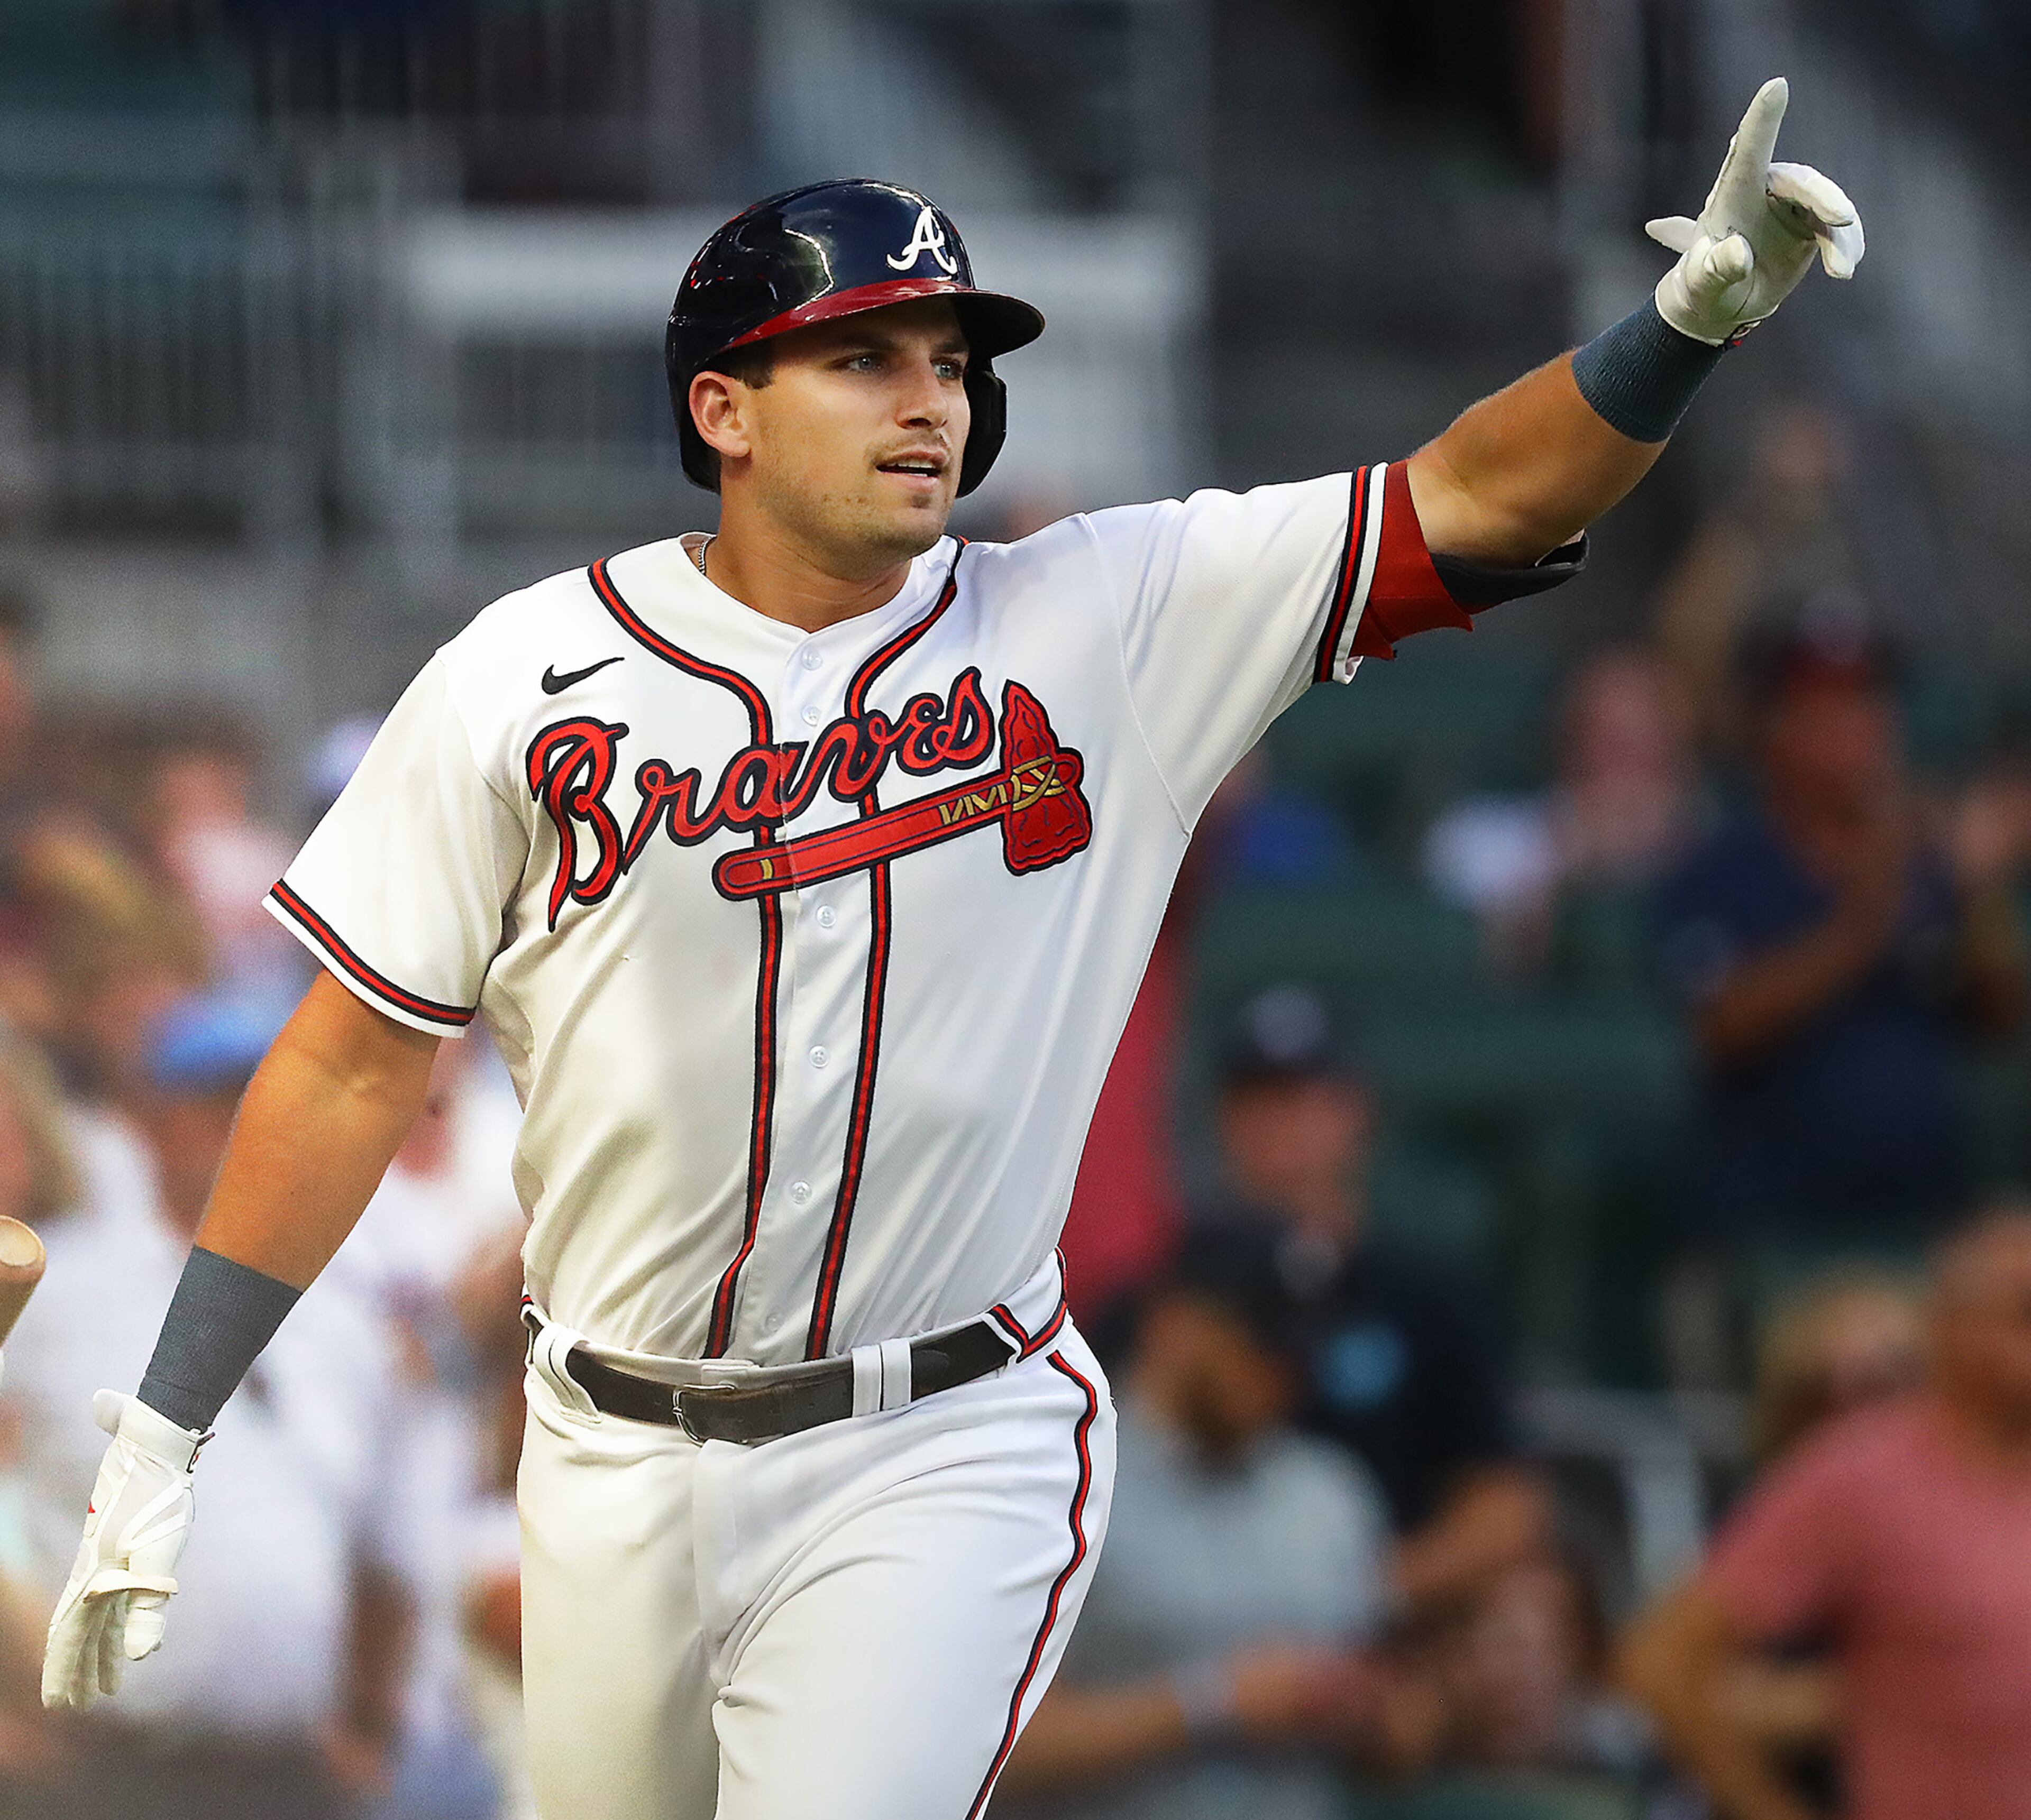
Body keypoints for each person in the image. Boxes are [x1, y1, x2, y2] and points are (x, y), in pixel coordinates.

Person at [40, 84, 1864, 1820]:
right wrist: (166, 1426)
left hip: (935, 1434)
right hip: (601, 1443)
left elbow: (1471, 497)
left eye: (952, 362)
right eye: (867, 356)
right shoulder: (524, 674)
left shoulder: (1108, 615)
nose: (933, 398)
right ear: (724, 410)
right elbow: (353, 1060)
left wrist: (1679, 330)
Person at [7, 991, 409, 1820]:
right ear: (152, 1119)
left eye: (266, 1102)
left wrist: (370, 1730)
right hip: (101, 1769)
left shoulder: (348, 1315)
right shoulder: (62, 1285)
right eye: (220, 1101)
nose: (247, 1126)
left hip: (291, 1773)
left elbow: (390, 1550)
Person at [1654, 616, 2024, 1380]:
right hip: (1774, 1234)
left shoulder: (1926, 866)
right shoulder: (1723, 868)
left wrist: (1977, 888)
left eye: (1870, 705)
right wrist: (1870, 910)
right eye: (1828, 709)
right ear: (1774, 730)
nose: (1860, 730)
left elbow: (1999, 1017)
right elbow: (1725, 1025)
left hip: (1924, 1229)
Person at [994, 1228, 1429, 1820]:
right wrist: (1210, 1706)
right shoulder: (1055, 1478)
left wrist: (1368, 1712)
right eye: (1258, 1340)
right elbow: (988, 1748)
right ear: (1173, 1322)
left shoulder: (1331, 1496)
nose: (1280, 1371)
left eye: (1298, 1350)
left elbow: (1408, 1731)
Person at [1620, 1207, 2031, 1820]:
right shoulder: (1859, 1478)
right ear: (1950, 1328)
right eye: (2024, 1312)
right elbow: (1664, 1662)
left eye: (1885, 1374)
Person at [1210, 983, 1549, 1612]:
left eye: (1302, 1099)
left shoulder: (1428, 1303)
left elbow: (1508, 1508)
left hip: (1387, 1624)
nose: (1279, 1127)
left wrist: (1355, 1599)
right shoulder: (1172, 1306)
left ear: (1354, 1113)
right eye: (1255, 1101)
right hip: (1190, 1631)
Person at [1423, 644, 1702, 974]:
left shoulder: (1722, 841)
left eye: (1647, 742)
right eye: (1611, 741)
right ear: (1570, 742)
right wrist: (1575, 853)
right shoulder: (1481, 834)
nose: (1629, 765)